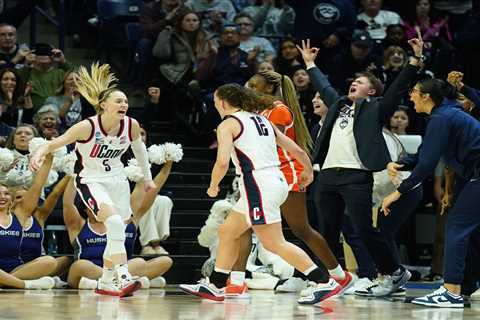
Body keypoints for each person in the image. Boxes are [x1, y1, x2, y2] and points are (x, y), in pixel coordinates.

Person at [180, 83, 341, 304]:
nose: (215, 105)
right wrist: (306, 171)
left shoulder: (228, 124)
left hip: (258, 184)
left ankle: (324, 282)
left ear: (224, 102)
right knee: (228, 231)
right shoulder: (262, 119)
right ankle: (217, 284)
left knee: (274, 243)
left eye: (216, 101)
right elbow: (296, 149)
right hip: (273, 181)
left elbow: (222, 161)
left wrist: (213, 185)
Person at [297, 36, 423, 297]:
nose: (355, 83)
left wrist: (414, 61)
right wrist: (310, 63)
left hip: (356, 176)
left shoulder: (376, 108)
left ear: (372, 92)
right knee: (326, 230)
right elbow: (324, 84)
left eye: (361, 82)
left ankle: (395, 271)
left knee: (363, 228)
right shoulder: (339, 105)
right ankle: (329, 278)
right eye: (354, 81)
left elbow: (398, 87)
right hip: (328, 175)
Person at [29, 63, 156, 297]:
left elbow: (141, 153)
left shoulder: (131, 125)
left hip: (117, 180)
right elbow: (54, 143)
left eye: (126, 101)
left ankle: (107, 280)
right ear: (103, 105)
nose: (124, 104)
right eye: (118, 101)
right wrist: (38, 153)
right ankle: (122, 275)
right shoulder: (87, 127)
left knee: (116, 229)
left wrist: (148, 180)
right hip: (91, 180)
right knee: (116, 223)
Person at [382, 78, 480, 308]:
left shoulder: (442, 117)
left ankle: (452, 291)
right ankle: (464, 286)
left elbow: (427, 164)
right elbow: (424, 153)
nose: (411, 97)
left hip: (476, 173)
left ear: (426, 96)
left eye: (414, 92)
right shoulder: (445, 114)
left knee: (456, 226)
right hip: (471, 174)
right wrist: (401, 164)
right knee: (470, 231)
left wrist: (399, 192)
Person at [12, 154, 71, 286]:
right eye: (18, 197)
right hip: (16, 265)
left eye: (26, 197)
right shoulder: (8, 218)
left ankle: (24, 279)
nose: (23, 201)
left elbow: (55, 194)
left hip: (37, 263)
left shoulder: (39, 216)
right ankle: (19, 280)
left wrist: (71, 173)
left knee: (65, 260)